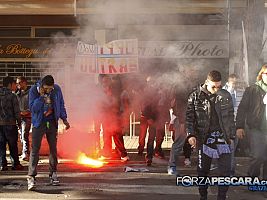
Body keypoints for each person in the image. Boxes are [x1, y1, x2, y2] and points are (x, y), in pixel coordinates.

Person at [186, 70, 235, 200]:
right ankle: (203, 196)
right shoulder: (195, 96)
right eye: (214, 86)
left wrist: (231, 136)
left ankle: (222, 197)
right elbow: (189, 119)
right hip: (204, 138)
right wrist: (191, 135)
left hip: (223, 138)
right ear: (207, 82)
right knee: (203, 171)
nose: (217, 89)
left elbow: (230, 116)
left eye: (219, 86)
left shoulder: (226, 95)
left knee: (225, 171)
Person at [27, 75, 70, 191]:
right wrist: (41, 97)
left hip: (51, 122)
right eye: (47, 88)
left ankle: (53, 173)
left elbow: (61, 104)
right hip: (39, 122)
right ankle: (31, 176)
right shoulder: (33, 91)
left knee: (53, 149)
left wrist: (64, 119)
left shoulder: (57, 89)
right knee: (35, 149)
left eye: (51, 88)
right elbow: (33, 108)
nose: (49, 91)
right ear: (42, 86)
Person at [236, 64, 267, 180]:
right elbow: (242, 108)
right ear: (261, 75)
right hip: (257, 129)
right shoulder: (253, 89)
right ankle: (253, 177)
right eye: (266, 74)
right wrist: (239, 126)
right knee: (258, 156)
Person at [98, 74, 129, 162]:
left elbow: (117, 103)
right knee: (106, 135)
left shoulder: (116, 90)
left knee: (117, 135)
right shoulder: (101, 91)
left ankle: (123, 154)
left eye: (107, 81)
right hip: (106, 117)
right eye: (104, 81)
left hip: (115, 116)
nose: (105, 83)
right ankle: (107, 153)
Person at [0, 76, 23, 171]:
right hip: (10, 124)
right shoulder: (12, 96)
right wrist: (19, 123)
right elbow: (17, 112)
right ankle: (15, 164)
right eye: (14, 84)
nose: (15, 86)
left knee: (1, 146)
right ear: (9, 85)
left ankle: (2, 164)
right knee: (12, 145)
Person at [16, 76, 31, 161]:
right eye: (17, 83)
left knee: (25, 134)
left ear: (24, 82)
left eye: (19, 82)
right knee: (22, 135)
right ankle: (24, 152)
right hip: (19, 117)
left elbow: (33, 105)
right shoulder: (17, 94)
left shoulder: (30, 93)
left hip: (27, 117)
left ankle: (26, 152)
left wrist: (27, 111)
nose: (18, 84)